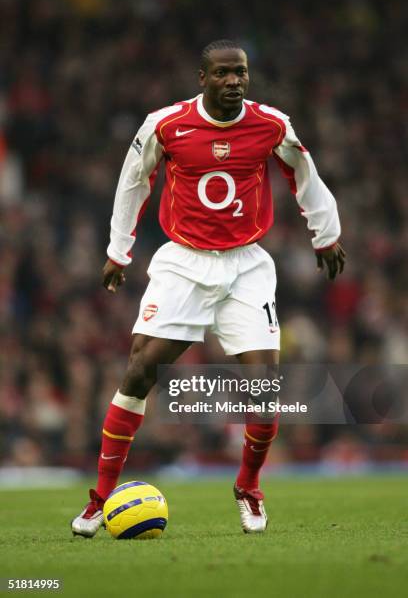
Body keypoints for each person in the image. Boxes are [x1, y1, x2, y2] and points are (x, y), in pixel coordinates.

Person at [71, 39, 345, 537]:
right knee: (139, 369)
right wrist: (118, 250)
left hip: (246, 266)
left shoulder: (271, 124)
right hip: (183, 263)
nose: (233, 81)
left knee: (264, 391)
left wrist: (325, 236)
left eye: (240, 72)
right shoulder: (166, 124)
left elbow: (304, 172)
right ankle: (101, 497)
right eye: (222, 73)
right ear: (203, 78)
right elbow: (133, 180)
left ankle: (248, 487)